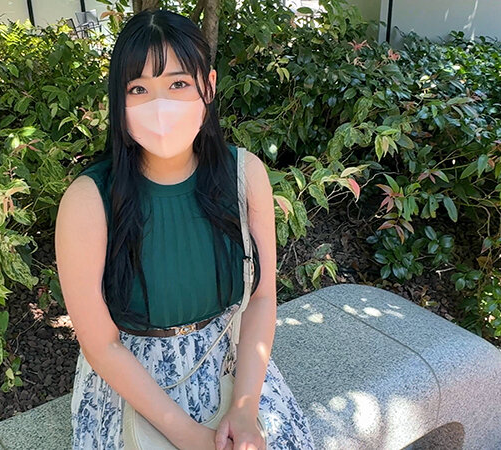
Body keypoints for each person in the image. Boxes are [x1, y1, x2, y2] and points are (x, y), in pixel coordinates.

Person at [54, 8, 315, 450]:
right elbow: (102, 345)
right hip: (132, 391)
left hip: (232, 366)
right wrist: (189, 436)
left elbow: (261, 297)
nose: (160, 106)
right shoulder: (89, 201)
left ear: (207, 86)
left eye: (178, 84)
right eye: (138, 89)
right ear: (119, 101)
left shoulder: (244, 175)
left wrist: (244, 409)